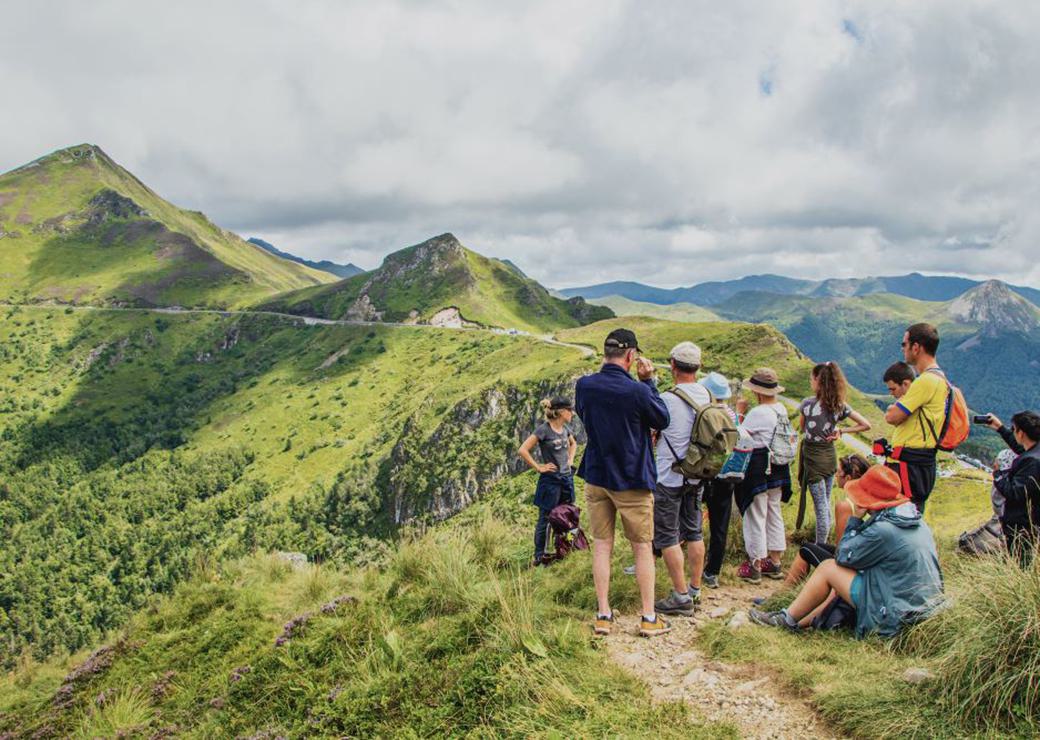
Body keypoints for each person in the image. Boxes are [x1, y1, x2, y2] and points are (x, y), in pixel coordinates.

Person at [750, 465, 944, 639]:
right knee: (839, 575)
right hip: (921, 609)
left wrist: (855, 520)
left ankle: (787, 619)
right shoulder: (916, 522)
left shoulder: (883, 529)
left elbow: (842, 557)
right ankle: (794, 620)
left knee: (828, 568)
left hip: (894, 614)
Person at [575, 328, 671, 637]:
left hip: (597, 474)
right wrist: (649, 381)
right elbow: (662, 420)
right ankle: (648, 617)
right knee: (642, 548)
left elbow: (583, 413)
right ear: (631, 356)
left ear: (605, 353)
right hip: (632, 478)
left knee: (602, 545)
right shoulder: (638, 391)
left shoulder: (584, 386)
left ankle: (603, 614)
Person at [652, 342, 709, 616]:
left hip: (669, 476)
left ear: (673, 366)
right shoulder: (708, 396)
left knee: (666, 536)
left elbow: (653, 431)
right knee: (694, 531)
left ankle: (680, 596)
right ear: (697, 367)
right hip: (697, 475)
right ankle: (696, 590)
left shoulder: (667, 399)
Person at [798, 362, 872, 543]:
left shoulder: (807, 404)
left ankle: (820, 546)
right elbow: (866, 424)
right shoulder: (839, 405)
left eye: (812, 379)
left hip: (813, 458)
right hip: (830, 458)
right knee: (825, 502)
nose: (810, 382)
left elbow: (802, 427)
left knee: (820, 506)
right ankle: (827, 539)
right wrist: (842, 431)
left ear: (818, 380)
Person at [735, 368, 792, 583]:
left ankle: (755, 563)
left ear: (757, 392)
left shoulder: (759, 412)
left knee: (756, 513)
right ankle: (775, 561)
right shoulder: (781, 409)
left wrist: (740, 412)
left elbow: (740, 435)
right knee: (773, 510)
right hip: (779, 465)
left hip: (759, 467)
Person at [884, 323, 947, 515]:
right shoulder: (939, 378)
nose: (902, 349)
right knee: (912, 513)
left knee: (901, 515)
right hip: (922, 462)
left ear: (916, 347)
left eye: (904, 344)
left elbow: (893, 417)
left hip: (909, 464)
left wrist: (892, 409)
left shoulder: (925, 381)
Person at [784, 454, 871, 586]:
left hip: (849, 565)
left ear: (847, 478)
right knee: (814, 546)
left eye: (839, 472)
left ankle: (784, 595)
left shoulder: (845, 505)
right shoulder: (867, 498)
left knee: (806, 549)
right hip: (862, 558)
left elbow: (841, 549)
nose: (836, 475)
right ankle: (787, 593)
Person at [518, 397, 577, 566]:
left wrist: (570, 460)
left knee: (569, 515)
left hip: (566, 479)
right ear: (561, 411)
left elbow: (573, 444)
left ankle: (568, 546)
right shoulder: (544, 430)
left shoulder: (565, 428)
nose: (572, 413)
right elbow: (523, 450)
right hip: (550, 482)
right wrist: (539, 467)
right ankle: (540, 556)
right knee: (545, 518)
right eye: (569, 410)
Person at [985, 411, 1040, 566]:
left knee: (1020, 563)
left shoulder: (1032, 462)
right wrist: (999, 428)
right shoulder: (1035, 451)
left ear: (1021, 433)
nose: (1013, 431)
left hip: (1023, 525)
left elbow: (1015, 492)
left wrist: (998, 474)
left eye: (1013, 429)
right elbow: (1020, 448)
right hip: (1030, 523)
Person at [701, 371, 739, 589]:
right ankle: (713, 570)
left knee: (691, 513)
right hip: (728, 474)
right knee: (720, 524)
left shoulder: (709, 413)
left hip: (708, 473)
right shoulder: (732, 415)